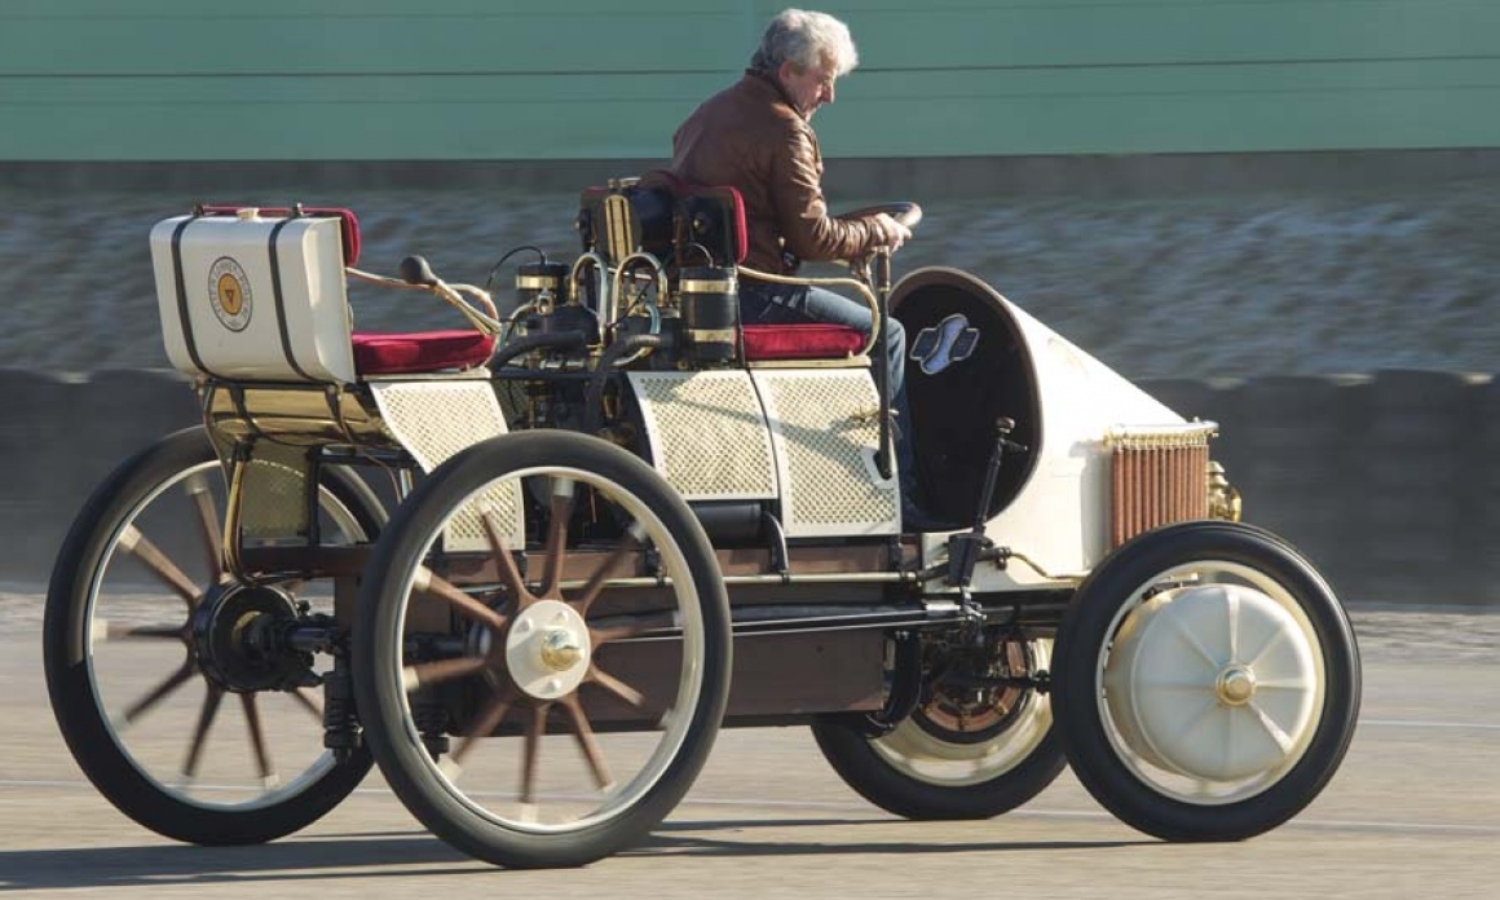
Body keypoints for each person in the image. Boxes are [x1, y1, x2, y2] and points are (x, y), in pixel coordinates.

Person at [670, 8, 933, 526]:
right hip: (756, 297)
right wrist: (879, 232)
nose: (830, 96)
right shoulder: (786, 130)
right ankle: (901, 498)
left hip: (700, 297)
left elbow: (783, 225)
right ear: (789, 71)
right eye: (824, 81)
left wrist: (854, 233)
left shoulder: (707, 113)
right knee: (891, 334)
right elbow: (812, 239)